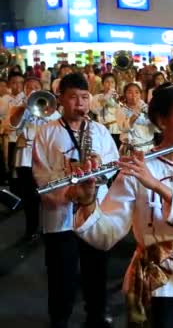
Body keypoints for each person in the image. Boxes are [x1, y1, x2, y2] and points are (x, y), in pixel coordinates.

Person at [69, 84, 173, 328]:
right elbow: (106, 235)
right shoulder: (136, 169)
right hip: (153, 276)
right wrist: (87, 200)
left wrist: (156, 185)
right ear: (162, 122)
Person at [32, 73, 118, 328]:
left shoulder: (100, 130)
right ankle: (59, 319)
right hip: (61, 218)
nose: (80, 103)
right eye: (73, 97)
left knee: (97, 270)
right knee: (61, 275)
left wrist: (99, 167)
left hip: (93, 213)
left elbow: (112, 165)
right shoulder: (46, 132)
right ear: (61, 100)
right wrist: (68, 184)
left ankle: (96, 315)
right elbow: (40, 172)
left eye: (84, 97)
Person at [9, 78, 61, 242]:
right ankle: (31, 229)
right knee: (29, 196)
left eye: (36, 88)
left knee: (48, 193)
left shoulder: (52, 109)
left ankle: (49, 227)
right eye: (29, 88)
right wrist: (25, 106)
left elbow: (57, 129)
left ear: (42, 89)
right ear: (25, 91)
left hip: (46, 156)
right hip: (25, 155)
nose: (33, 90)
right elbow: (12, 125)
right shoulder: (19, 108)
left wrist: (47, 110)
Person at [116, 83, 155, 154]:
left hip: (149, 148)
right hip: (131, 150)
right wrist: (136, 114)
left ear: (140, 94)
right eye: (130, 92)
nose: (134, 95)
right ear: (125, 95)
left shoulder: (147, 108)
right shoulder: (121, 110)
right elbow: (123, 128)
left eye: (137, 92)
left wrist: (151, 114)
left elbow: (157, 128)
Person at [90, 73, 121, 148]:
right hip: (102, 130)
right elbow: (95, 110)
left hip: (117, 130)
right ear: (102, 84)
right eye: (107, 82)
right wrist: (107, 96)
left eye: (112, 82)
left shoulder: (118, 98)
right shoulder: (97, 97)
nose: (110, 84)